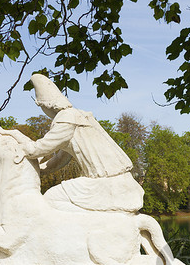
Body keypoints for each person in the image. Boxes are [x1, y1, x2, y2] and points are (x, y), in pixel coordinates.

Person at [17, 73, 144, 212]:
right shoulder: (78, 115)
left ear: (46, 104)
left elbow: (41, 147)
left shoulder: (66, 119)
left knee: (51, 199)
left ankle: (83, 229)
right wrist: (38, 169)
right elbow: (60, 159)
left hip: (105, 181)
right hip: (115, 180)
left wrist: (17, 149)